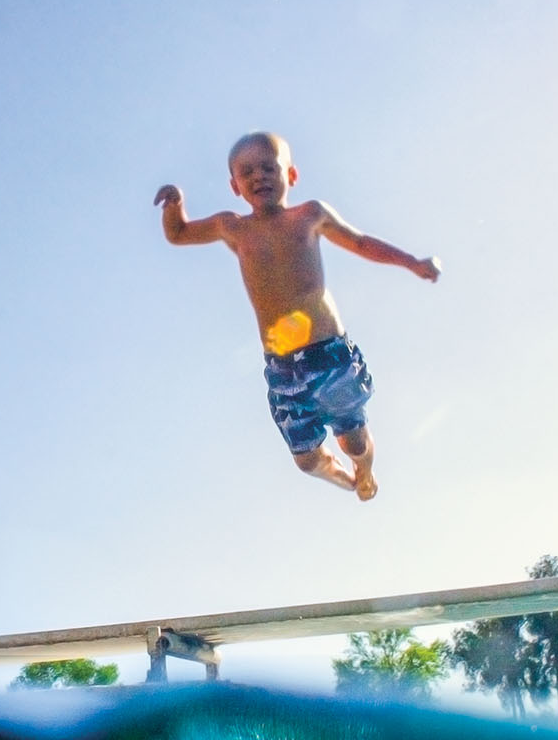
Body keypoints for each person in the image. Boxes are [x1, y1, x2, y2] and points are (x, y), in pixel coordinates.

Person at [155, 130, 439, 501]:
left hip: (329, 353)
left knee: (352, 438)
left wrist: (412, 263)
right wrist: (174, 205)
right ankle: (346, 481)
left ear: (290, 176)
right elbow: (178, 235)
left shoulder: (310, 216)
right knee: (306, 459)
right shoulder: (233, 227)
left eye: (268, 168)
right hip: (282, 365)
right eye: (247, 172)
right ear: (235, 185)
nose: (259, 176)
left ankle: (363, 469)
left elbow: (360, 242)